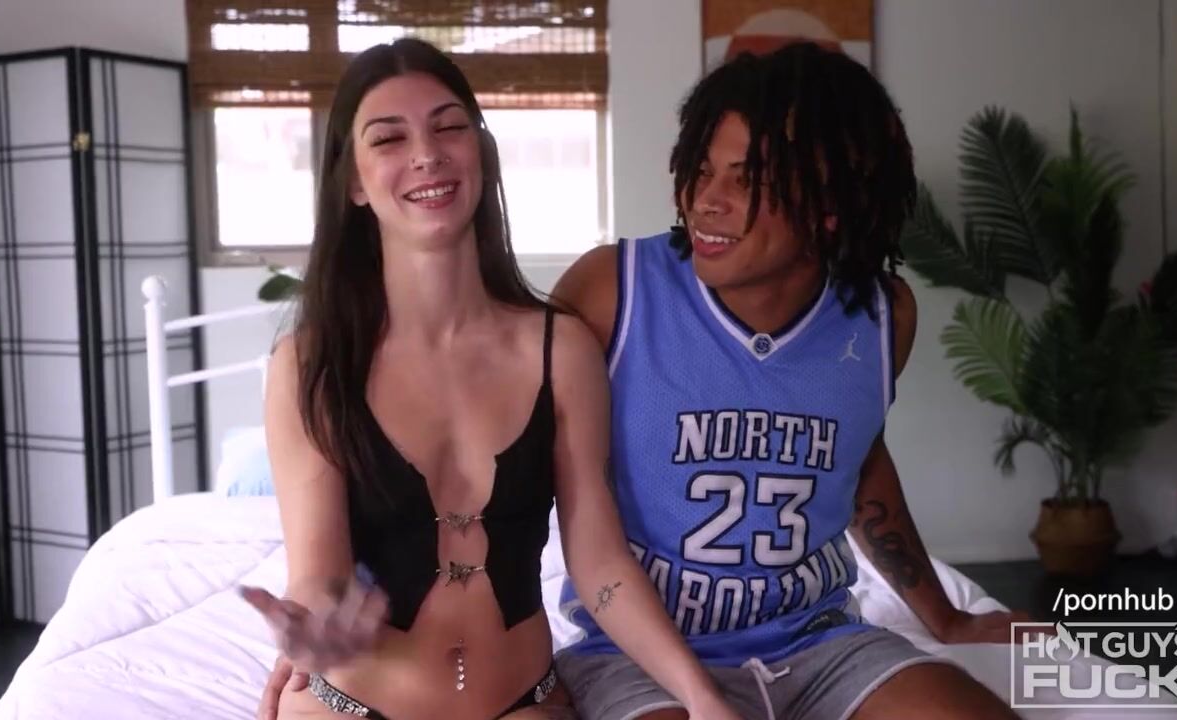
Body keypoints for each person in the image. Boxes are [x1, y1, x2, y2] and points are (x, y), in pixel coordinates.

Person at [240, 38, 743, 720]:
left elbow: (599, 565)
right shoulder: (311, 365)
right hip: (351, 705)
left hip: (523, 703)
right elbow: (318, 572)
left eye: (449, 126)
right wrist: (317, 624)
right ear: (354, 181)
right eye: (389, 138)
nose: (427, 153)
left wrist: (701, 696)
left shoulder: (560, 349)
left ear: (480, 151)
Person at [545, 43, 1028, 719]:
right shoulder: (610, 291)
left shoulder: (883, 316)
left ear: (829, 203)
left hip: (817, 643)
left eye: (745, 181)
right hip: (635, 654)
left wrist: (947, 620)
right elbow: (516, 468)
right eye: (701, 170)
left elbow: (858, 462)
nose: (704, 201)